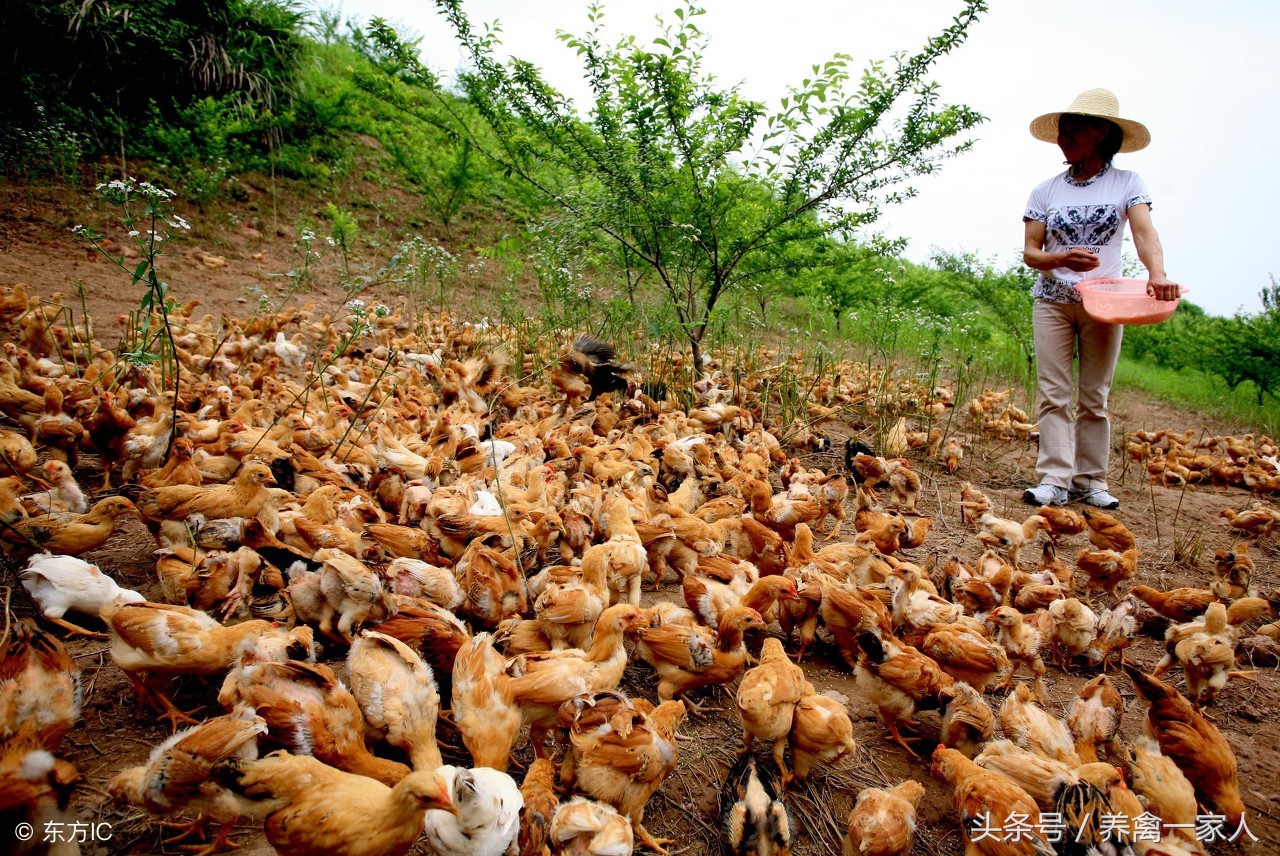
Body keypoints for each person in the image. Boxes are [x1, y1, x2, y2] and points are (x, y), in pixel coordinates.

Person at [1021, 89, 1179, 510]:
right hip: (1052, 302)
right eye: (1063, 130)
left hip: (1105, 303)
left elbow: (1144, 233)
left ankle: (1090, 480)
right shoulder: (1045, 191)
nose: (1066, 138)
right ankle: (1054, 479)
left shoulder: (1128, 183)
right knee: (1054, 393)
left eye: (1076, 129)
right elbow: (1031, 252)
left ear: (1102, 134)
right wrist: (1060, 258)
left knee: (1095, 396)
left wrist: (1157, 273)